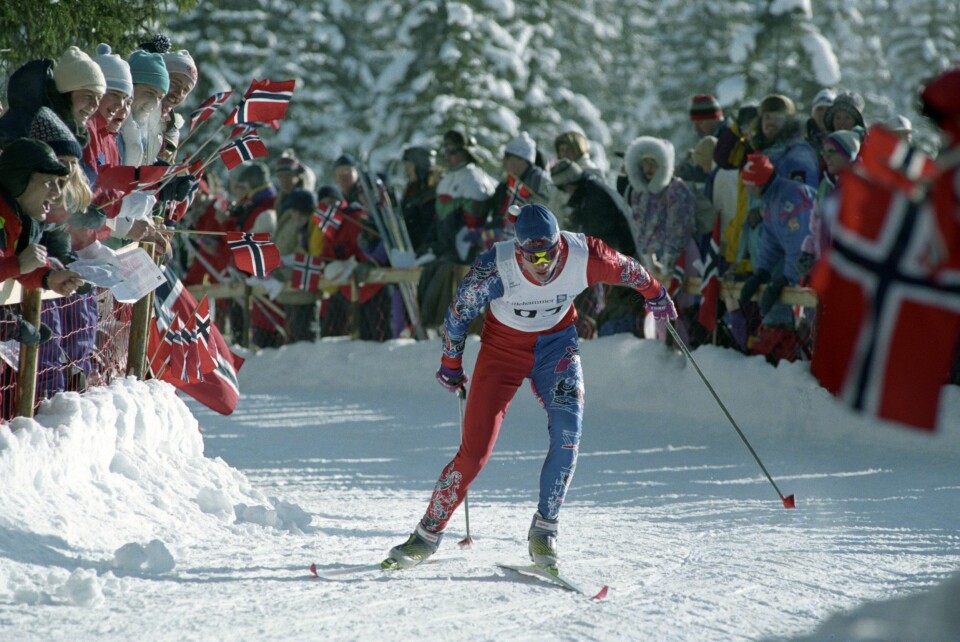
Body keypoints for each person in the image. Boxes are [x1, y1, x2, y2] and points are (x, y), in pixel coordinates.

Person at [383, 203, 677, 571]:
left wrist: (656, 294)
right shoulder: (497, 266)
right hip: (501, 354)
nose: (541, 263)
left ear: (560, 243)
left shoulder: (585, 254)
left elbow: (629, 269)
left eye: (549, 253)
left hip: (556, 350)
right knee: (475, 454)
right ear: (518, 249)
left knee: (568, 434)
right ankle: (426, 535)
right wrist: (451, 364)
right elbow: (459, 313)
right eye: (531, 256)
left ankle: (544, 531)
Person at [0, 138, 84, 295]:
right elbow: (13, 265)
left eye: (58, 182)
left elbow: (17, 265)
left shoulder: (17, 220)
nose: (57, 192)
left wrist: (48, 277)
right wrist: (17, 265)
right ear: (19, 180)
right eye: (49, 181)